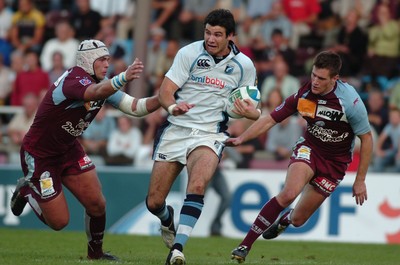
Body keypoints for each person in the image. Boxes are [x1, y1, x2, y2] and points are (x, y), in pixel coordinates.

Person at [10, 39, 160, 261]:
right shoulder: (73, 79)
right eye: (102, 59)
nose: (107, 64)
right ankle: (26, 190)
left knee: (97, 203)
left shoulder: (103, 83)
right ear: (88, 61)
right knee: (60, 222)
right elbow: (93, 93)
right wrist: (124, 77)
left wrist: (164, 98)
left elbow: (135, 108)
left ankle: (95, 255)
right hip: (41, 154)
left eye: (108, 59)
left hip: (69, 149)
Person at [228, 51, 373, 263]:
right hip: (310, 148)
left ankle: (285, 219)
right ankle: (245, 245)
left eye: (321, 78)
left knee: (298, 219)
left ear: (335, 79)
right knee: (288, 194)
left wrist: (360, 181)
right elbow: (271, 119)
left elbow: (367, 139)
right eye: (313, 75)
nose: (314, 81)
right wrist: (242, 138)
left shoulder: (350, 102)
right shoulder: (305, 93)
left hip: (335, 163)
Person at [145, 9, 260, 265]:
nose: (210, 38)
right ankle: (166, 218)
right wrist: (173, 107)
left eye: (218, 34)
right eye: (208, 32)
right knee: (153, 202)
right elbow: (166, 91)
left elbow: (252, 109)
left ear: (231, 36)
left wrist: (250, 114)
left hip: (210, 134)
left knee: (196, 186)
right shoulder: (188, 53)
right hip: (176, 129)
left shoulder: (245, 66)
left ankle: (177, 249)